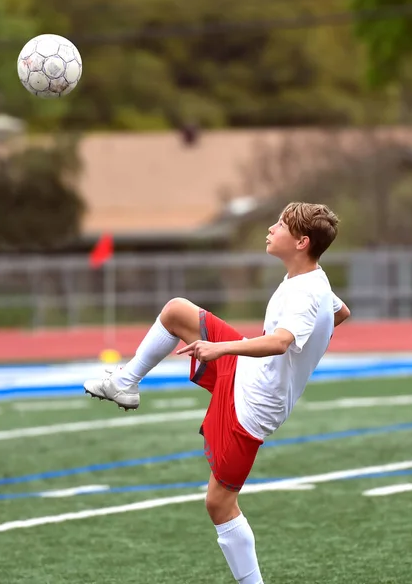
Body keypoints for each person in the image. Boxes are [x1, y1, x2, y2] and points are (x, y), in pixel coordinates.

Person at [84, 201, 351, 584]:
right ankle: (125, 383)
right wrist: (306, 349)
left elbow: (279, 343)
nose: (272, 228)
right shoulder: (312, 281)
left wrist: (222, 348)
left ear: (301, 242)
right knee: (177, 312)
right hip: (249, 371)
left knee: (219, 503)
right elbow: (340, 313)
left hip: (252, 405)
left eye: (281, 225)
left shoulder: (307, 293)